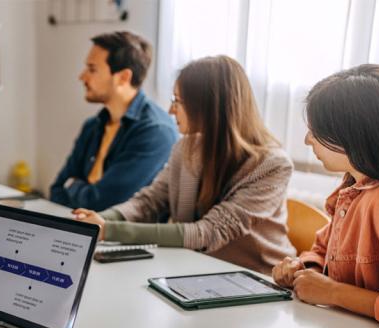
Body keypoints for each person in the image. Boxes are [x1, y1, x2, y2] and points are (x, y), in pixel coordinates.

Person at [74, 55, 296, 274]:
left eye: (177, 101)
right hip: (195, 272)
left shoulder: (272, 165)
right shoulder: (185, 148)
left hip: (258, 280)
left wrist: (109, 230)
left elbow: (207, 232)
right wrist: (99, 219)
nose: (171, 110)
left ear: (207, 107)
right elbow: (150, 201)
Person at [272, 65, 379, 328]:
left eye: (317, 131)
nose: (308, 140)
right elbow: (324, 251)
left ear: (357, 135)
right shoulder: (354, 191)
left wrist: (334, 293)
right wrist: (304, 268)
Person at [49, 31, 178, 211]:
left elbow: (104, 204)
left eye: (92, 69)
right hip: (82, 231)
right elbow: (56, 191)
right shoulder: (92, 126)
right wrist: (81, 191)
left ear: (123, 77)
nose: (82, 77)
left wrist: (73, 185)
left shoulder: (155, 132)